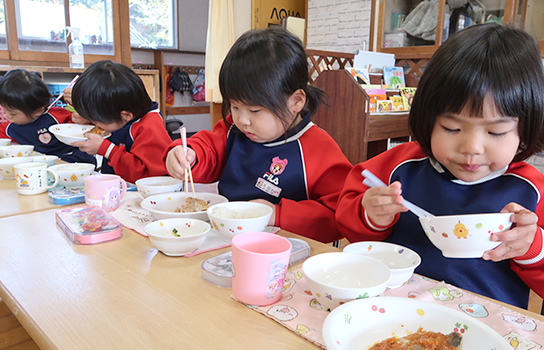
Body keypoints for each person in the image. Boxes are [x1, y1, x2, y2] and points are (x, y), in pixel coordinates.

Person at [336, 23, 544, 312]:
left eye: (496, 133)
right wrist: (371, 215)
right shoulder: (401, 166)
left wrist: (532, 247)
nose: (472, 147)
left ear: (525, 128)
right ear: (429, 118)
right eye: (451, 127)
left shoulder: (531, 191)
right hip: (392, 311)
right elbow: (350, 224)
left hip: (486, 323)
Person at [164, 27, 353, 243]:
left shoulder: (318, 148)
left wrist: (276, 214)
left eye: (255, 111)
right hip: (227, 240)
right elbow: (208, 148)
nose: (243, 120)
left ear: (296, 101)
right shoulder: (233, 129)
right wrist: (186, 154)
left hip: (289, 251)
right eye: (235, 107)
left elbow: (338, 214)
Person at [70, 60, 172, 183]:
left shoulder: (150, 128)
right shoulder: (124, 114)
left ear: (126, 115)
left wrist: (106, 149)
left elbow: (148, 177)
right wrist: (89, 120)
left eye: (96, 120)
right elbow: (113, 123)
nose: (94, 123)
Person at [0, 68, 96, 165]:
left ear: (38, 111)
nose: (8, 116)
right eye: (5, 110)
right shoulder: (9, 128)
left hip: (73, 158)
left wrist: (78, 109)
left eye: (13, 114)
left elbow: (89, 126)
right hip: (42, 163)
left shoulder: (57, 116)